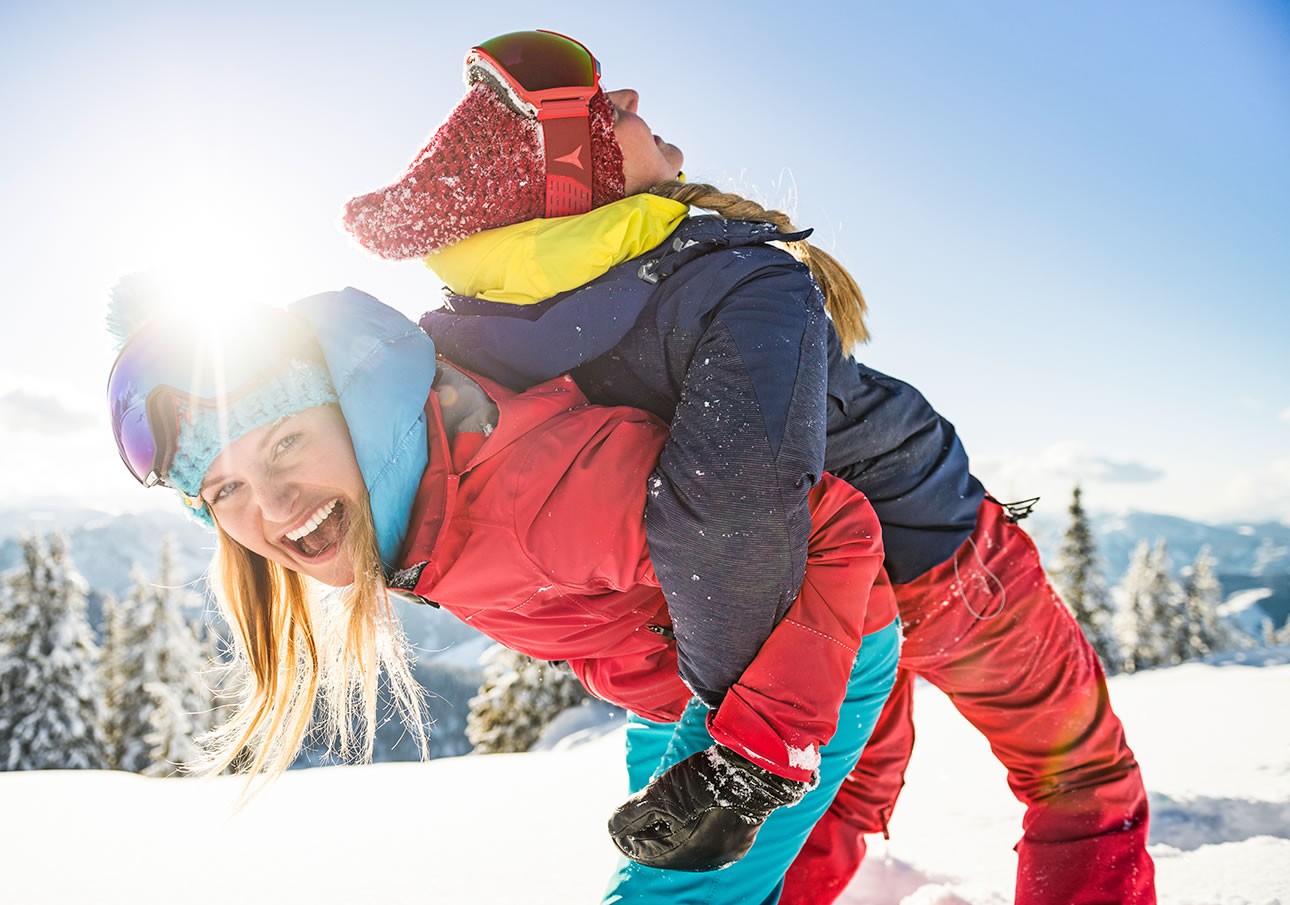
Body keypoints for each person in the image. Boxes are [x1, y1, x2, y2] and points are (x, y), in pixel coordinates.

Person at [340, 29, 1156, 905]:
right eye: (607, 109)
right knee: (1078, 779)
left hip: (796, 628)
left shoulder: (473, 343)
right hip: (938, 555)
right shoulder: (728, 280)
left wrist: (718, 713)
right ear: (575, 177)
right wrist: (746, 744)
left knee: (830, 809)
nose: (634, 101)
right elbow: (734, 511)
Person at [105, 284, 900, 902]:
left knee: (676, 890)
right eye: (226, 488)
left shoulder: (535, 500)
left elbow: (832, 525)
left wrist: (756, 756)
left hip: (792, 660)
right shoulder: (415, 490)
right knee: (705, 861)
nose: (274, 507)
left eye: (286, 441)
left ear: (355, 413)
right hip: (675, 680)